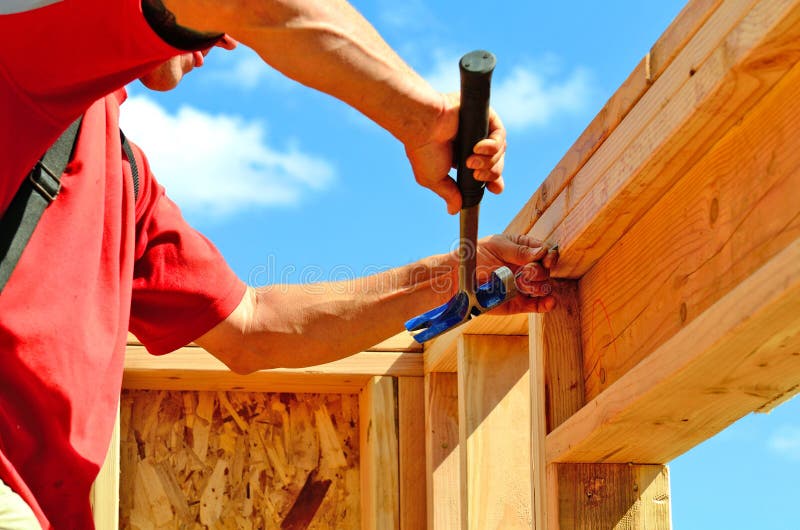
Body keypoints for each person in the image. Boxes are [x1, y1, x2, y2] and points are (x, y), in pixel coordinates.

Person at [0, 1, 558, 528]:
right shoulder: (25, 42)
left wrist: (461, 271)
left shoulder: (122, 176)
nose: (229, 42)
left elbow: (254, 327)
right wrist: (428, 117)